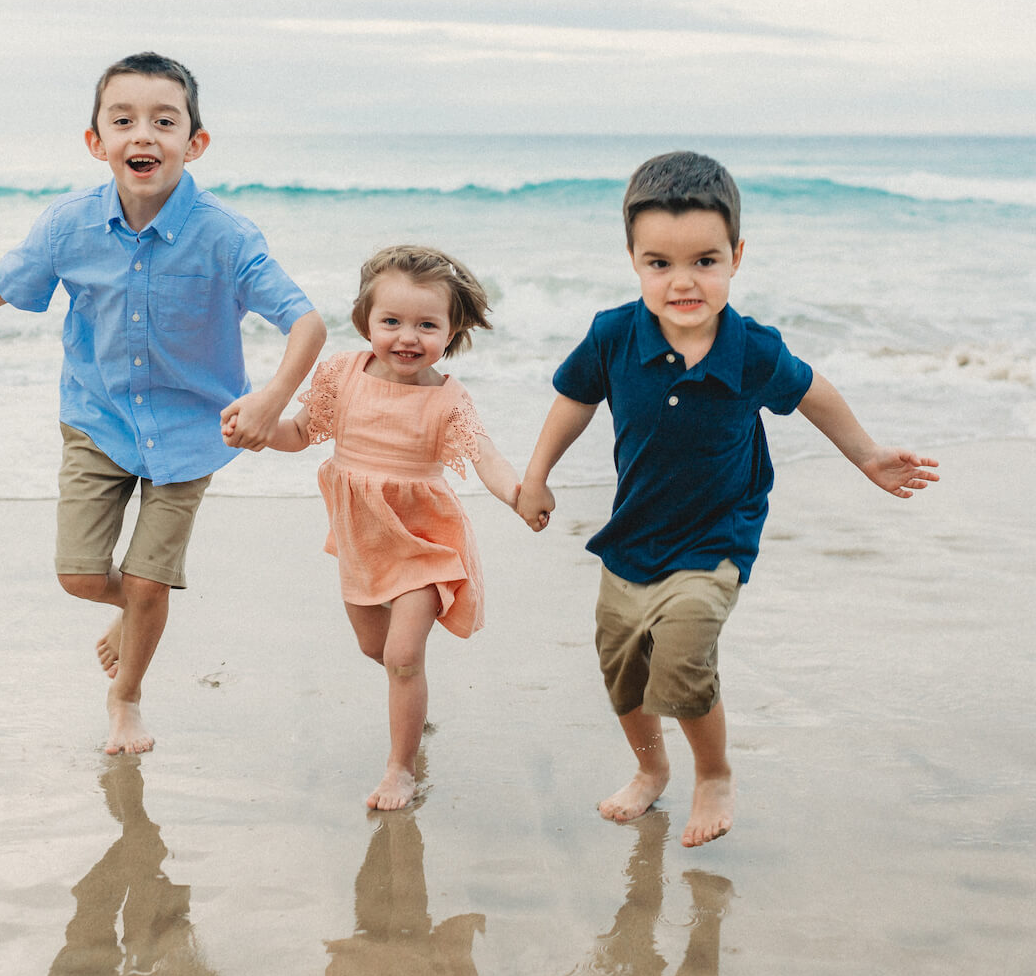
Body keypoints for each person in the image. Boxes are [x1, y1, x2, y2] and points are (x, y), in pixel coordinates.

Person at [0, 52, 327, 756]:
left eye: (165, 121)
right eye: (124, 120)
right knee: (79, 576)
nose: (144, 135)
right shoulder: (68, 226)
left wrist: (271, 399)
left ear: (195, 142)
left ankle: (126, 696)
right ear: (95, 141)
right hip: (96, 423)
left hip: (193, 434)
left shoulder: (226, 236)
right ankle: (137, 608)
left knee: (148, 577)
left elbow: (307, 322)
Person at [515, 151, 939, 847]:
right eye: (660, 264)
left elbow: (813, 393)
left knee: (681, 658)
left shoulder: (752, 351)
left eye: (705, 261)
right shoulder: (614, 334)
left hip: (717, 536)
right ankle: (651, 772)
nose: (683, 281)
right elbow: (573, 401)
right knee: (623, 671)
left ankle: (712, 772)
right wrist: (537, 474)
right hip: (633, 536)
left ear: (736, 256)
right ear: (633, 260)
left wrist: (866, 455)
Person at [266, 245, 521, 810]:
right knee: (377, 650)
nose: (408, 337)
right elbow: (299, 434)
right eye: (392, 322)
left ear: (451, 331)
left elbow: (486, 457)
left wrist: (519, 495)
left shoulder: (448, 400)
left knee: (404, 656)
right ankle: (413, 707)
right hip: (365, 540)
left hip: (426, 545)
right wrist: (258, 429)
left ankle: (400, 770)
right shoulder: (343, 375)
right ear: (365, 322)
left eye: (427, 325)